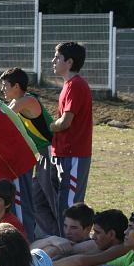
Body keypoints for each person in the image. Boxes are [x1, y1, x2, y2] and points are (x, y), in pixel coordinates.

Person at [0, 67, 56, 237]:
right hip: (39, 155)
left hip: (50, 153)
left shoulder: (25, 100)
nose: (2, 89)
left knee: (53, 200)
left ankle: (67, 238)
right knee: (36, 200)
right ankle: (50, 236)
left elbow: (3, 116)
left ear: (16, 86)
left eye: (5, 85)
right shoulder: (19, 102)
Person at [49, 42, 93, 236]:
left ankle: (72, 249)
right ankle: (62, 243)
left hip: (73, 154)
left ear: (69, 62)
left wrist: (46, 126)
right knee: (58, 205)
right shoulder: (68, 85)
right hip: (63, 153)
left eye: (57, 58)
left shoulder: (76, 85)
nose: (53, 61)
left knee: (70, 209)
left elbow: (66, 122)